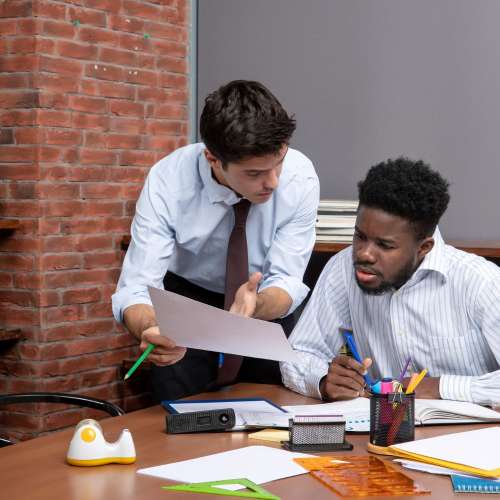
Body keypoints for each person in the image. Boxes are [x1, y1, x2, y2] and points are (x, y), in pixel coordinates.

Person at [112, 80, 319, 401]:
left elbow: (288, 280)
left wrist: (256, 306)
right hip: (187, 301)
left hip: (262, 300)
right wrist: (152, 326)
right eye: (254, 173)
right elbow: (136, 288)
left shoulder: (300, 178)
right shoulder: (168, 181)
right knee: (179, 418)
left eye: (278, 162)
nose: (273, 182)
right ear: (212, 158)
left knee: (275, 411)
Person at [281, 158, 500, 406]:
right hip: (382, 433)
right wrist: (323, 380)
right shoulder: (343, 269)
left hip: (472, 439)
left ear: (424, 247)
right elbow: (298, 354)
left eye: (385, 245)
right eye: (360, 236)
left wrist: (440, 387)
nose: (364, 254)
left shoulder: (481, 283)